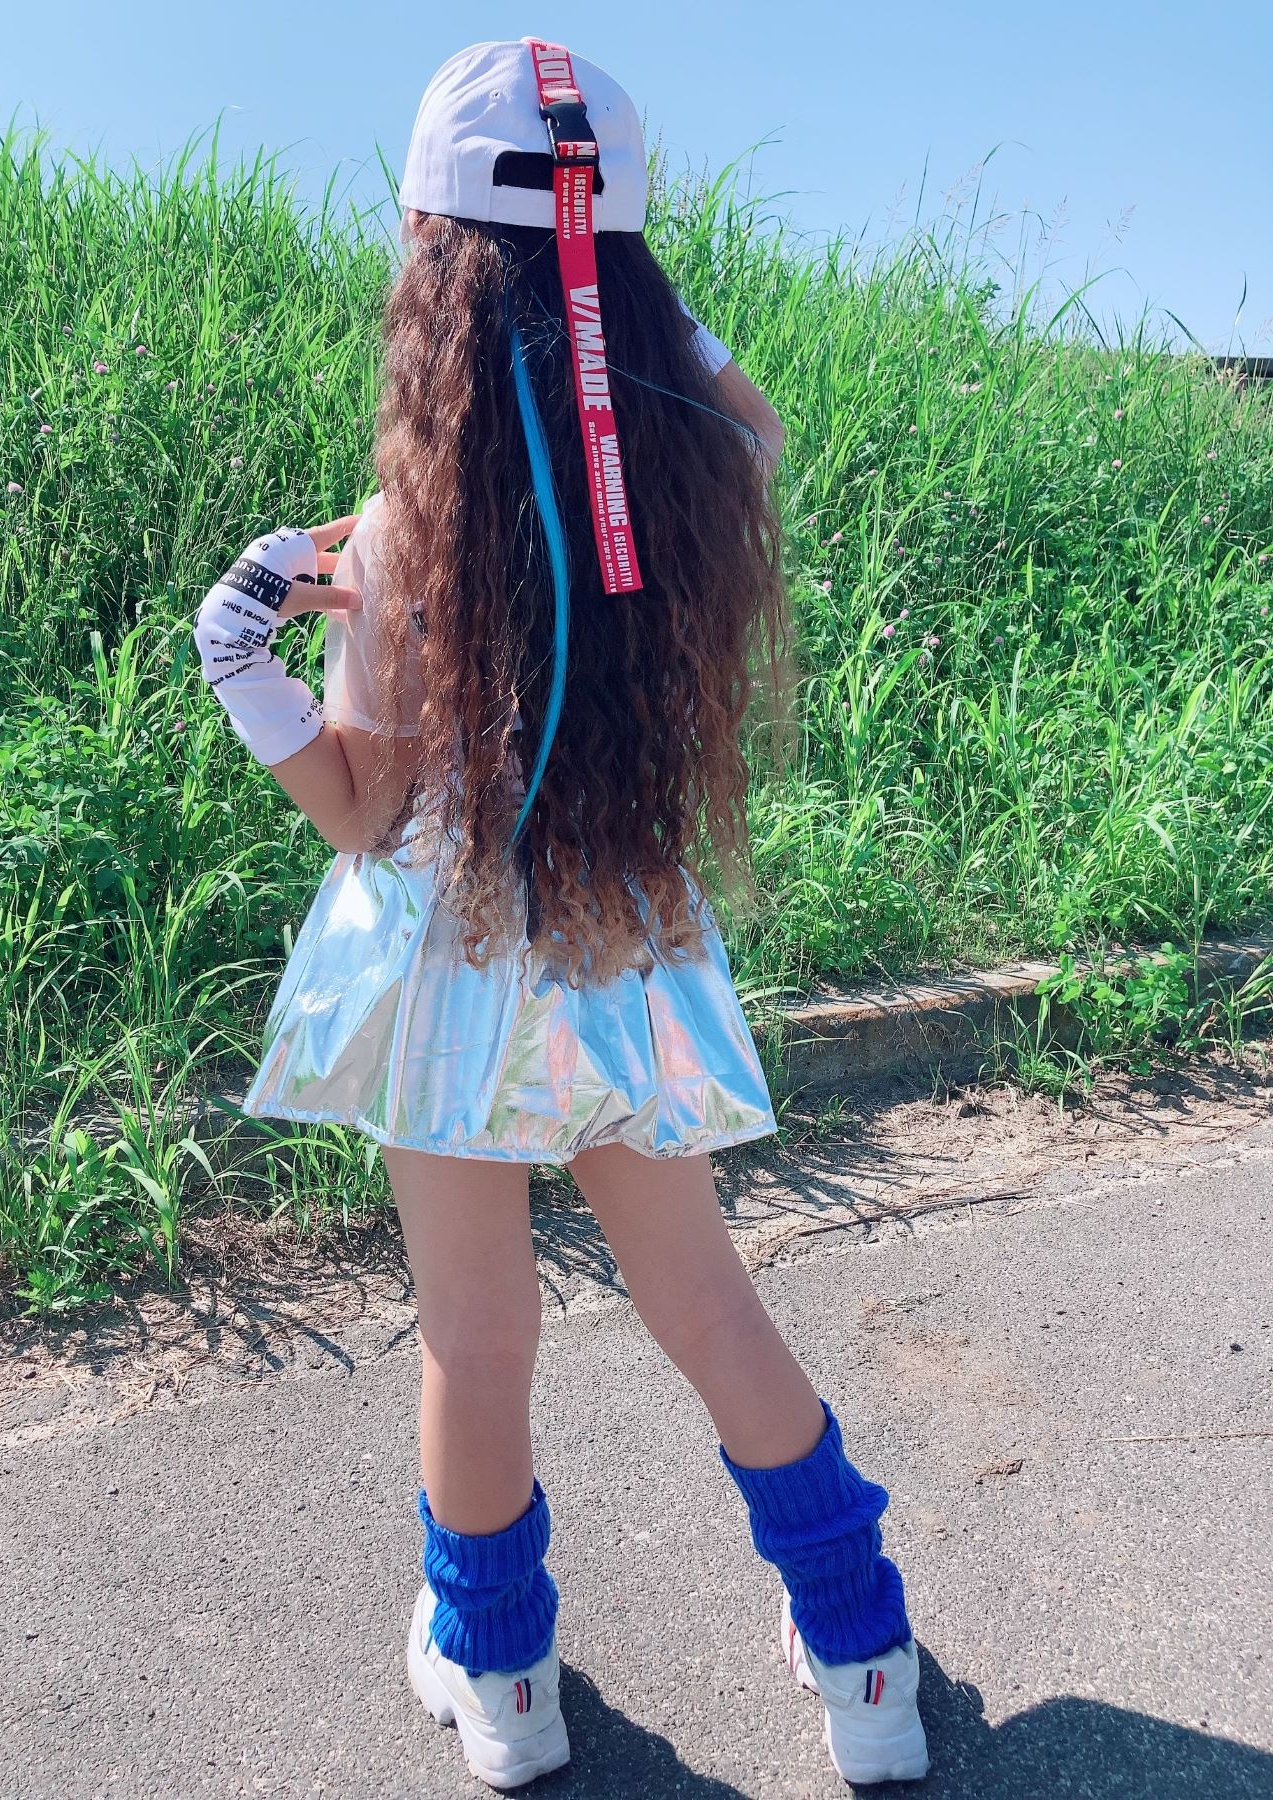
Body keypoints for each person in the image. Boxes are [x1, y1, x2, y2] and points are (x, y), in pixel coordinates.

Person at [192, 36, 929, 1791]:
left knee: (477, 1339)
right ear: (634, 268)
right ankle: (864, 1663)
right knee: (711, 1309)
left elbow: (363, 810)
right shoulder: (694, 486)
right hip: (621, 950)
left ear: (428, 263)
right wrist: (634, 299)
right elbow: (751, 417)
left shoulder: (400, 536)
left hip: (447, 980)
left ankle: (502, 1684)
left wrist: (242, 663)